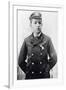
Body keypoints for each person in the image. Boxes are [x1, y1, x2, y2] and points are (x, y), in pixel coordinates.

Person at [18, 12, 57, 79]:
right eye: (35, 23)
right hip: (31, 76)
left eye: (39, 23)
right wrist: (28, 71)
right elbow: (20, 61)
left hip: (44, 76)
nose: (38, 25)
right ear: (31, 25)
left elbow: (54, 58)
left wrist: (46, 69)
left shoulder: (47, 39)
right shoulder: (26, 40)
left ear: (42, 24)